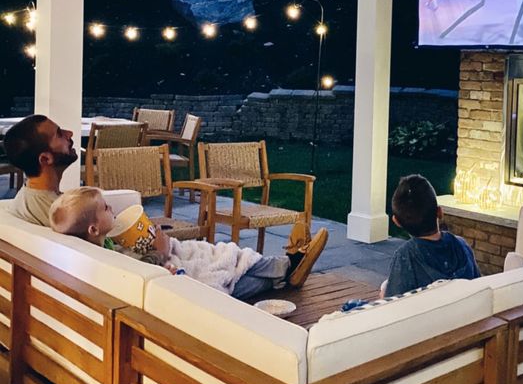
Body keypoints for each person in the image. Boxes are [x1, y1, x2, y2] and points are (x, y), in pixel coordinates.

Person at [49, 187, 328, 297]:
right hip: (172, 278)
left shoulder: (102, 244)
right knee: (233, 275)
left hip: (167, 263)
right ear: (94, 227)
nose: (112, 208)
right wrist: (160, 253)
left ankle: (287, 265)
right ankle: (290, 266)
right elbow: (136, 271)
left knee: (217, 253)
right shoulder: (104, 259)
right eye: (106, 208)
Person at [384, 174, 480, 298]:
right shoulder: (462, 246)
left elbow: (393, 306)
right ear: (440, 212)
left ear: (396, 221)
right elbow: (478, 285)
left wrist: (383, 296)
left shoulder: (406, 257)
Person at [3, 114, 78, 225]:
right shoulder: (65, 218)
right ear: (45, 159)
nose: (70, 133)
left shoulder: (25, 199)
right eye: (59, 134)